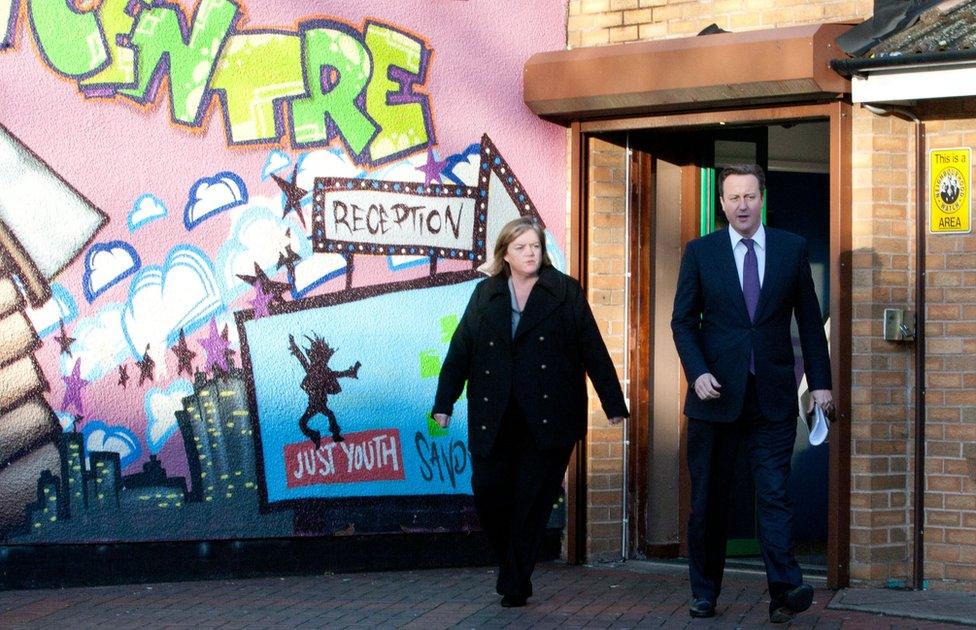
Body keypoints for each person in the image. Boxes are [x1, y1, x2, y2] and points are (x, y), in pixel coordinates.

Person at [432, 217, 627, 608]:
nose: (529, 253)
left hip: (549, 416)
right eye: (520, 247)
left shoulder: (564, 291)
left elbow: (592, 347)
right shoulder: (485, 294)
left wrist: (612, 403)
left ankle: (514, 580)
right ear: (505, 253)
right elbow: (461, 351)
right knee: (488, 493)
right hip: (495, 414)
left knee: (533, 499)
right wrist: (444, 402)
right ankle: (512, 565)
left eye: (535, 246)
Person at [670, 164, 833, 624]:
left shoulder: (790, 248)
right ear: (721, 203)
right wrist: (697, 372)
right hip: (714, 397)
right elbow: (683, 322)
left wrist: (820, 382)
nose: (742, 205)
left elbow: (809, 319)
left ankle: (784, 590)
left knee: (775, 494)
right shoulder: (700, 253)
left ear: (762, 198)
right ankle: (704, 592)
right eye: (733, 197)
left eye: (750, 196)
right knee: (709, 500)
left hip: (773, 398)